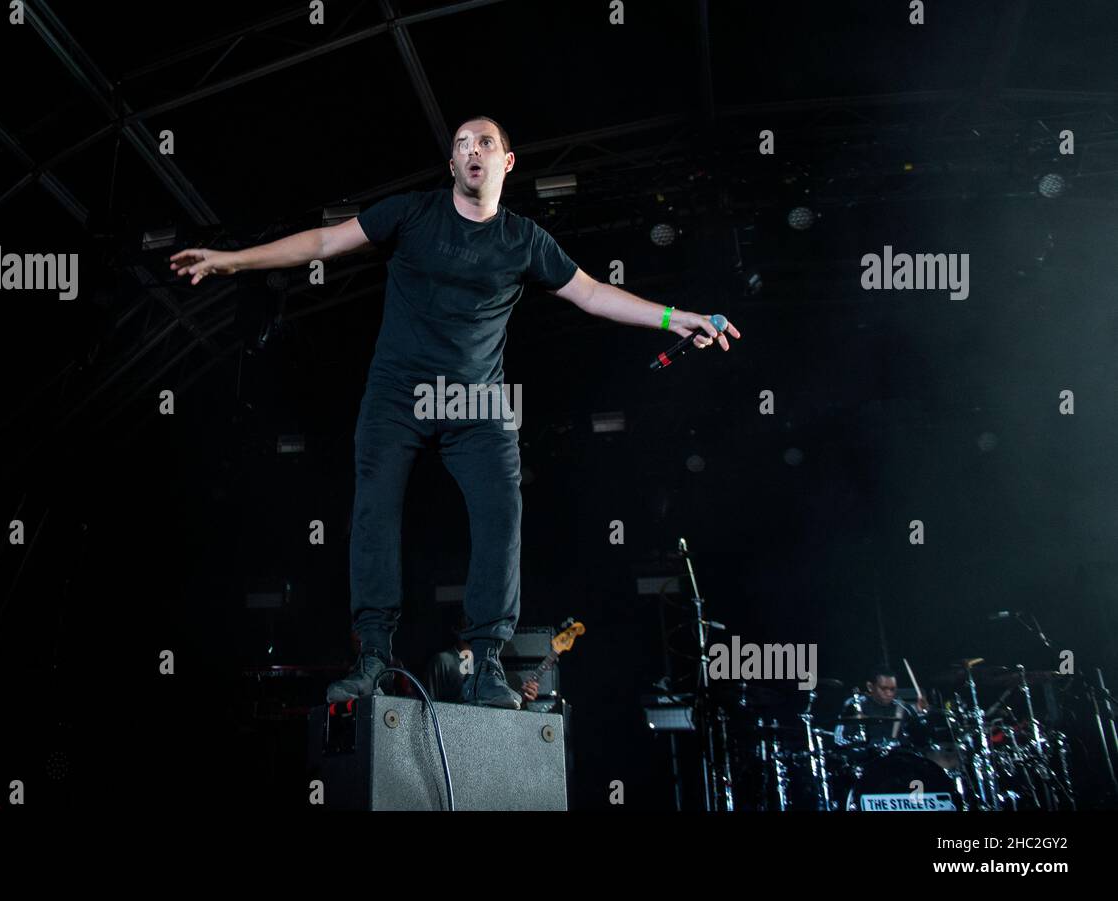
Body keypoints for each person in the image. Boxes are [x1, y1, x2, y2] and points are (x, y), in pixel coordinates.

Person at [171, 115, 740, 711]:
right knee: (374, 511)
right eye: (462, 144)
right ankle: (371, 657)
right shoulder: (411, 213)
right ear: (451, 166)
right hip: (397, 393)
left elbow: (593, 293)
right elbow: (322, 242)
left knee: (502, 510)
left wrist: (680, 318)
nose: (473, 151)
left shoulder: (524, 240)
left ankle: (485, 661)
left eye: (485, 143)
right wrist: (233, 261)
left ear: (506, 162)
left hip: (476, 401)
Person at [834, 664, 929, 746]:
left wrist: (922, 714)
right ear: (870, 687)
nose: (889, 693)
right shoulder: (856, 705)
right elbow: (839, 739)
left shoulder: (903, 708)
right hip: (868, 761)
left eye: (892, 689)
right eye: (884, 688)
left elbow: (922, 741)